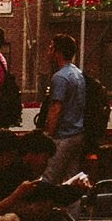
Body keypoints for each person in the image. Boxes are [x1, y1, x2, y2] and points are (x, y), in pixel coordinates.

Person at [42, 33, 94, 187]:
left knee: (49, 177)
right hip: (78, 133)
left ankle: (43, 208)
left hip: (62, 136)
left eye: (51, 48)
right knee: (72, 180)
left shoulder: (60, 77)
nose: (48, 51)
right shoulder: (78, 74)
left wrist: (48, 135)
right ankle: (73, 211)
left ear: (58, 52)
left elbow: (55, 108)